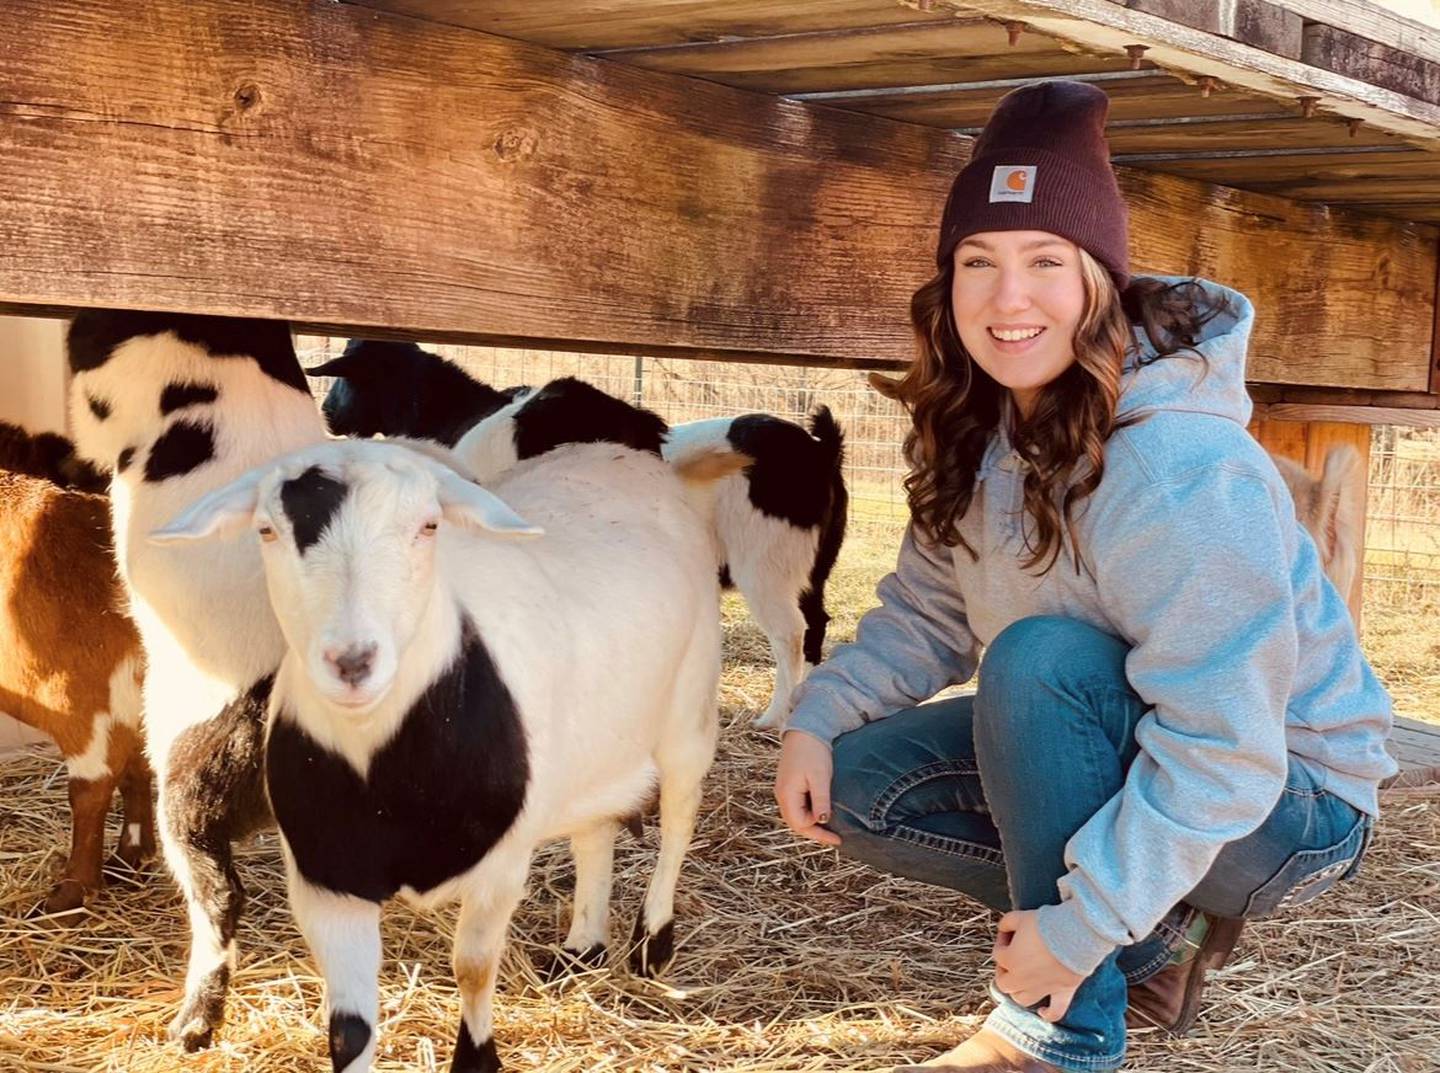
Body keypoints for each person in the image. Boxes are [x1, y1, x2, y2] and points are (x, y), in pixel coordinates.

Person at [773, 80, 1395, 1073]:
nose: (1006, 297)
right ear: (946, 288)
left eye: (1044, 263)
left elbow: (1228, 746)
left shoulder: (1179, 467)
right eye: (977, 262)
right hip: (1157, 747)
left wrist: (1081, 920)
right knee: (856, 786)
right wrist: (819, 713)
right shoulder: (983, 435)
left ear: (1099, 282)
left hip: (1288, 802)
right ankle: (1157, 935)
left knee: (1040, 661)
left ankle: (1057, 1033)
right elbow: (925, 615)